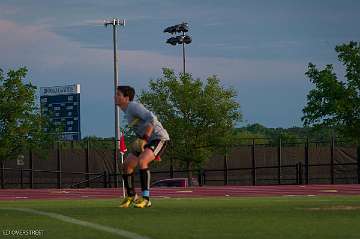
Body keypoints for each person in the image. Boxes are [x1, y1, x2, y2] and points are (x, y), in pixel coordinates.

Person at [115, 85, 170, 208]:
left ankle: (146, 199)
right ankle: (131, 196)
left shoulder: (134, 107)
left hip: (158, 138)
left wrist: (144, 140)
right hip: (146, 140)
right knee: (126, 165)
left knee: (142, 161)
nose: (115, 97)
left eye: (118, 94)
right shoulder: (127, 111)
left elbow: (151, 119)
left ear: (127, 98)